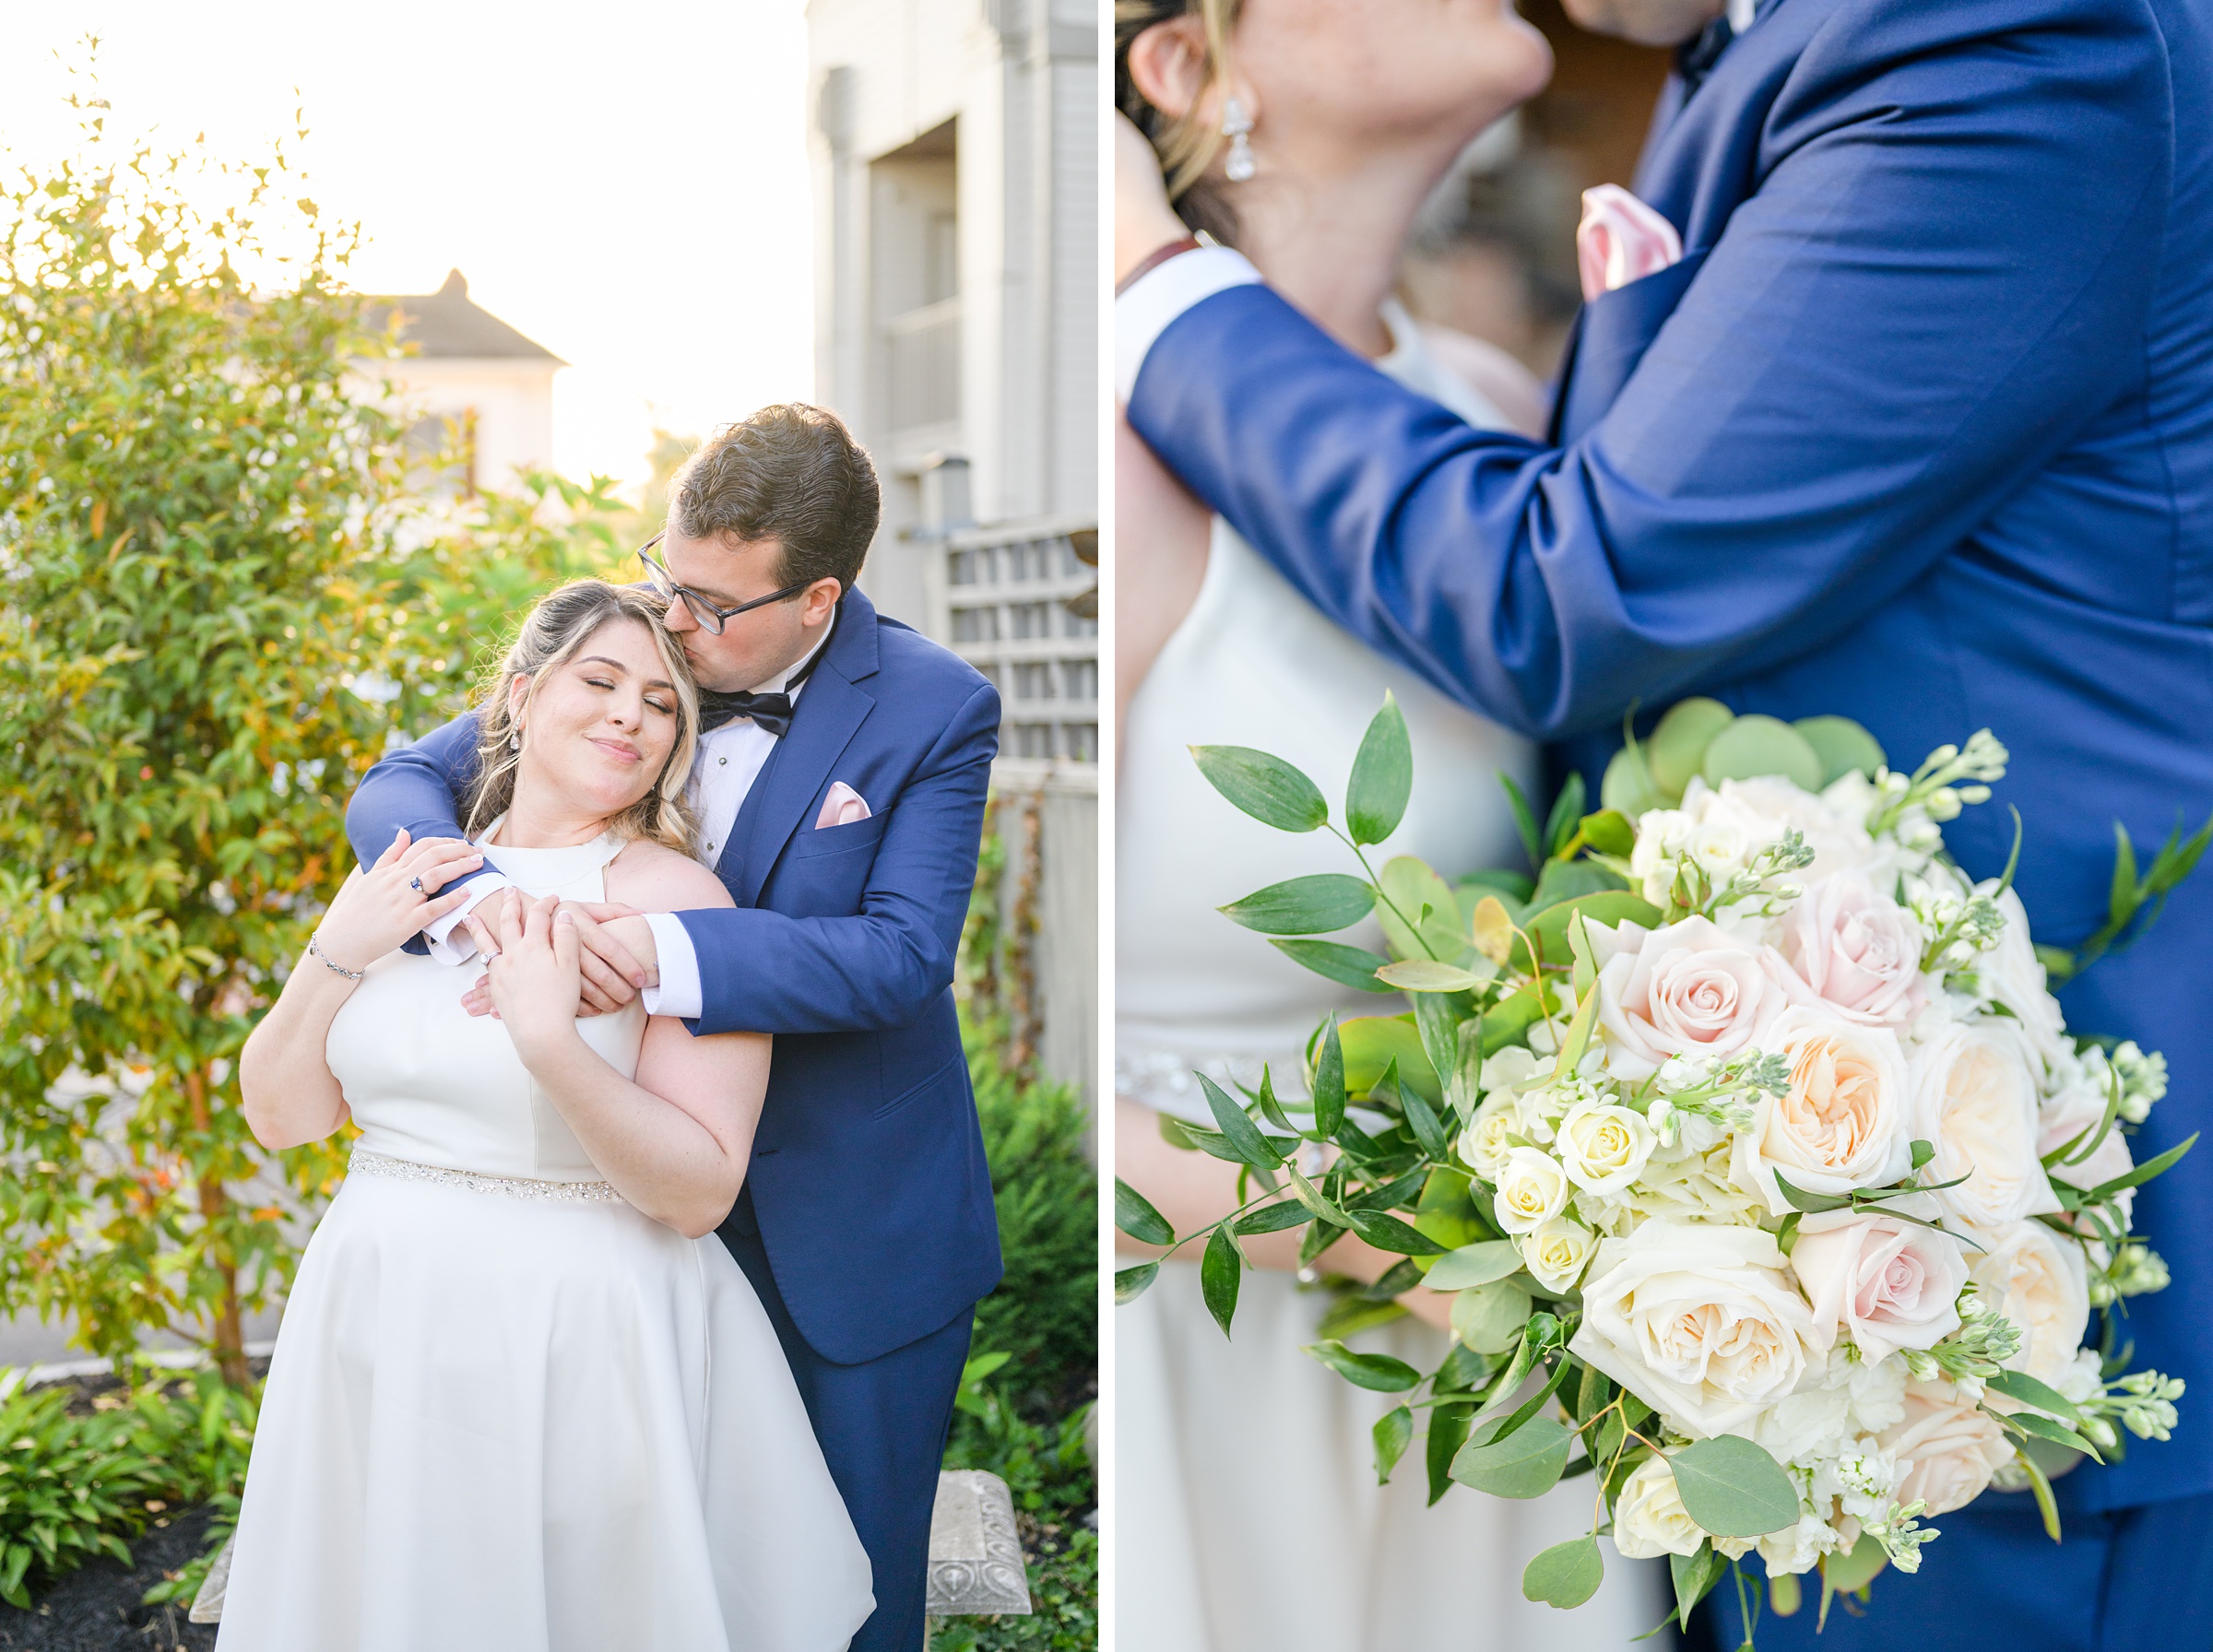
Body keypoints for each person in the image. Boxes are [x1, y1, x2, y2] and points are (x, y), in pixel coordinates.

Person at [1113, 0, 2213, 1644]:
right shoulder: (1738, 73)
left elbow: (1578, 591)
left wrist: (1153, 290)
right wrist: (1471, 1240)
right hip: (1525, 1337)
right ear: (1188, 65)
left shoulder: (2006, 35)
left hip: (1989, 1268)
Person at [1112, 3, 1663, 1646]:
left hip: (1489, 1378)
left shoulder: (1498, 405)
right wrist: (1395, 1240)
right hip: (1213, 1358)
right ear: (1188, 66)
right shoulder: (1128, 461)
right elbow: (991, 1056)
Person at [341, 406, 1003, 1652]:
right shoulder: (635, 665)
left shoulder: (936, 705)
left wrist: (660, 951)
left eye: (712, 606)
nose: (677, 625)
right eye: (668, 574)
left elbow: (904, 957)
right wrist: (479, 899)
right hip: (622, 1242)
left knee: (845, 1603)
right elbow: (399, 784)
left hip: (847, 1231)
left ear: (814, 602)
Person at [227, 580, 873, 1648]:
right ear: (522, 697)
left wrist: (548, 1043)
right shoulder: (417, 875)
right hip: (378, 1308)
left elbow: (701, 1188)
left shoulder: (683, 906)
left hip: (577, 1335)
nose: (632, 714)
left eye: (664, 704)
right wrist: (338, 946)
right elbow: (283, 1117)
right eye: (601, 680)